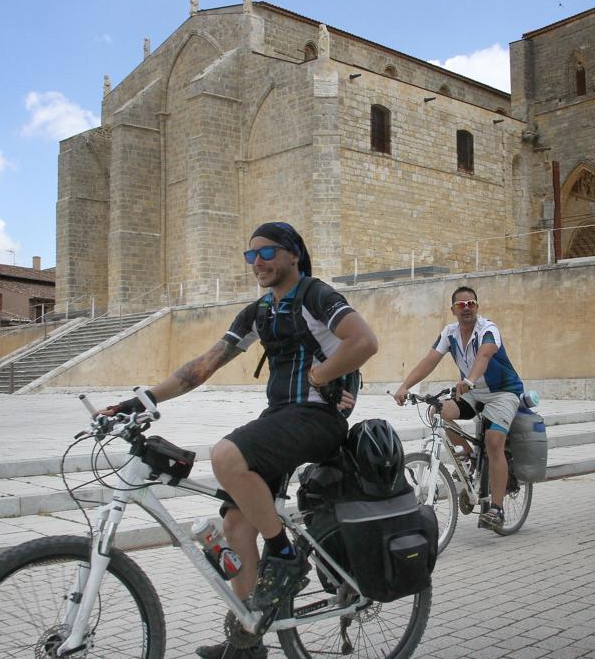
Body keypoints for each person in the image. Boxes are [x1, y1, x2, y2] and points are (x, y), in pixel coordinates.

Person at [101, 222, 377, 659]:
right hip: (281, 419)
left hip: (318, 418)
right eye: (251, 256)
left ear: (294, 255)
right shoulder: (260, 313)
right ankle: (248, 641)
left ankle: (285, 555)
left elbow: (363, 341)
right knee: (234, 526)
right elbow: (204, 365)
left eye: (267, 253)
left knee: (226, 455)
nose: (258, 263)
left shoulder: (317, 296)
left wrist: (321, 375)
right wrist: (142, 399)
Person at [392, 286, 524, 532]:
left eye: (471, 304)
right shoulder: (449, 334)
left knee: (494, 442)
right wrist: (405, 386)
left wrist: (470, 380)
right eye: (461, 305)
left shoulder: (488, 329)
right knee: (437, 412)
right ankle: (468, 454)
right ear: (453, 309)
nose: (466, 308)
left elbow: (483, 357)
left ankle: (496, 509)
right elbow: (429, 360)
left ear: (477, 306)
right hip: (472, 391)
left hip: (502, 393)